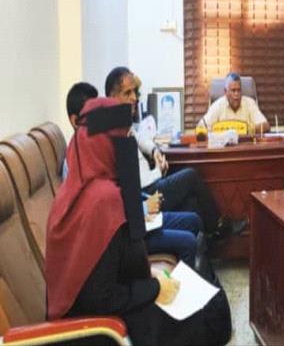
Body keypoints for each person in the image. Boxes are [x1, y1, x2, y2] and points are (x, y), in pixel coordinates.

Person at [45, 97, 231, 345]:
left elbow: (107, 270)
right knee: (216, 316)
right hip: (97, 329)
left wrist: (149, 276)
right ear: (105, 145)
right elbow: (100, 297)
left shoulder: (72, 191)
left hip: (94, 313)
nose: (127, 148)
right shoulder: (103, 200)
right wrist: (155, 288)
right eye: (122, 140)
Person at [64, 81, 204, 270]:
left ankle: (207, 283)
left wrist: (143, 203)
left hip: (135, 217)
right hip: (123, 235)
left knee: (193, 216)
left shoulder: (105, 145)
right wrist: (144, 208)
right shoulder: (75, 164)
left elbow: (121, 191)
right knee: (188, 238)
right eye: (93, 113)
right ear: (75, 121)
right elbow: (101, 219)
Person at [105, 67, 226, 238]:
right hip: (147, 193)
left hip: (150, 185)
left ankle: (212, 238)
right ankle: (219, 225)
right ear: (112, 98)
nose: (134, 98)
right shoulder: (112, 131)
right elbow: (137, 181)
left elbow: (140, 138)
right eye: (127, 93)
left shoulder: (123, 122)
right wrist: (158, 170)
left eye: (135, 92)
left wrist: (154, 150)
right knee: (191, 175)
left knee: (192, 204)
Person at [201, 72, 270, 132]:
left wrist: (246, 130)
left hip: (246, 142)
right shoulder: (217, 106)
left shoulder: (250, 103)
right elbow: (201, 127)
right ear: (225, 92)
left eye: (238, 90)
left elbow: (265, 126)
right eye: (233, 90)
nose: (236, 94)